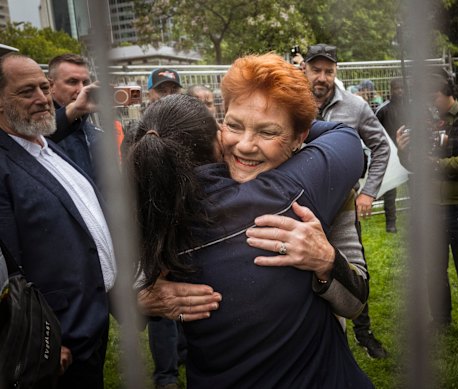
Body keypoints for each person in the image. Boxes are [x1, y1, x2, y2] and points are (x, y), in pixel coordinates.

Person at [127, 54, 373, 387]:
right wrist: (145, 295)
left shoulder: (328, 190)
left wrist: (327, 261)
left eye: (268, 132)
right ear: (219, 126)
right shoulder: (176, 196)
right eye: (234, 125)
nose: (244, 146)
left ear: (301, 137)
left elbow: (355, 302)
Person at [0, 53, 116, 388]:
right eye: (26, 92)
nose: (42, 98)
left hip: (89, 320)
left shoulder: (43, 144)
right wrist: (36, 339)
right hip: (54, 341)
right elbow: (8, 269)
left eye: (43, 87)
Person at [302, 42, 390, 358]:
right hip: (298, 206)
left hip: (341, 207)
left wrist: (369, 191)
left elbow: (381, 147)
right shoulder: (290, 103)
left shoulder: (355, 107)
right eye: (316, 69)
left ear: (336, 72)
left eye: (328, 70)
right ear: (305, 70)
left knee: (351, 270)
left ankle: (364, 335)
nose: (322, 77)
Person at [396, 73, 458, 347]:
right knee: (434, 269)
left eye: (432, 97)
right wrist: (403, 152)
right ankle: (440, 318)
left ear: (448, 93)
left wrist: (435, 165)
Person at [142, 66, 187, 389]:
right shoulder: (137, 129)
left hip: (188, 224)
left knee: (189, 291)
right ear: (150, 95)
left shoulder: (190, 128)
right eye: (162, 89)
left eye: (173, 89)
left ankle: (185, 353)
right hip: (154, 228)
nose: (168, 94)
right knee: (160, 301)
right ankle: (166, 376)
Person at [46, 54, 102, 183]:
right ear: (50, 86)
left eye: (85, 82)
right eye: (72, 82)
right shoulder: (37, 133)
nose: (82, 89)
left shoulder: (95, 131)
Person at [376, 78, 406, 233]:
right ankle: (391, 223)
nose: (399, 91)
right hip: (391, 154)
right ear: (391, 90)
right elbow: (375, 132)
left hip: (409, 153)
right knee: (390, 190)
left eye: (401, 88)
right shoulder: (383, 110)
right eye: (396, 88)